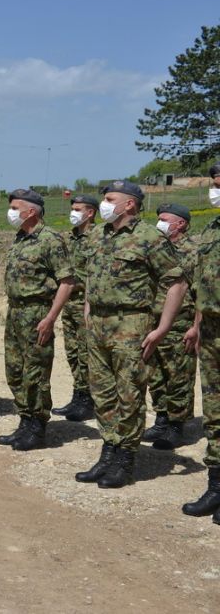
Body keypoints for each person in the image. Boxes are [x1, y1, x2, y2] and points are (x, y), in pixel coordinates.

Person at [76, 180, 186, 488]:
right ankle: (108, 450)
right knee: (102, 392)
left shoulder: (149, 237)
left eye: (110, 199)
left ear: (129, 205)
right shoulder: (97, 233)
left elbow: (176, 282)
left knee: (129, 394)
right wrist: (88, 307)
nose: (104, 204)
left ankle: (125, 458)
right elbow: (90, 274)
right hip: (98, 324)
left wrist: (162, 327)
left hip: (131, 324)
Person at [0, 190, 74, 451]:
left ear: (32, 212)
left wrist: (51, 317)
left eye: (15, 207)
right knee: (15, 370)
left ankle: (38, 428)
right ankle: (25, 421)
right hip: (16, 312)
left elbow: (66, 281)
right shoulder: (20, 238)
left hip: (37, 313)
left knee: (36, 373)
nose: (11, 212)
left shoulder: (50, 240)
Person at [181, 163, 220, 523]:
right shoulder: (211, 232)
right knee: (215, 413)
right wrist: (195, 324)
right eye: (214, 184)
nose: (215, 189)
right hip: (210, 330)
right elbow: (201, 286)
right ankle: (216, 486)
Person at [143, 203, 197, 450]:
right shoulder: (156, 248)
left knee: (179, 378)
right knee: (155, 375)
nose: (159, 223)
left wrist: (196, 327)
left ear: (181, 224)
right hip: (154, 321)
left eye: (164, 219)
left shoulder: (194, 252)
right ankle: (162, 418)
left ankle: (177, 425)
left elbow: (202, 293)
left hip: (181, 324)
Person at [52, 195, 98, 422]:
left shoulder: (98, 237)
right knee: (72, 352)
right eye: (73, 208)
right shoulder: (68, 238)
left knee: (85, 353)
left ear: (90, 213)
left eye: (78, 209)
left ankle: (88, 400)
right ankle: (77, 395)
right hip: (69, 303)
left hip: (85, 303)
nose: (73, 212)